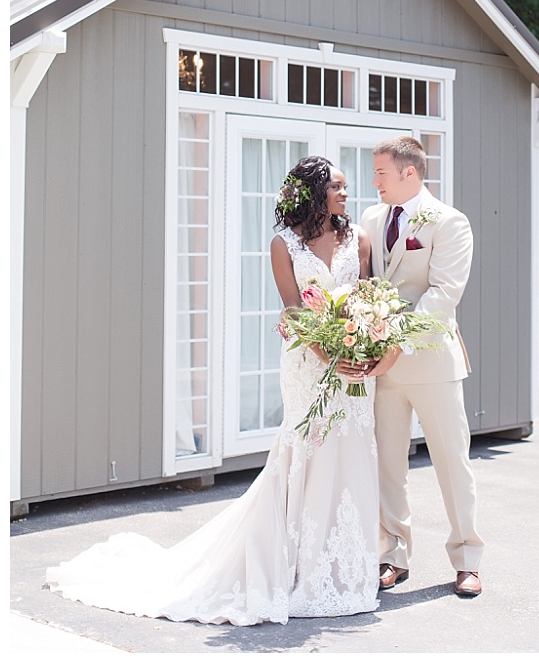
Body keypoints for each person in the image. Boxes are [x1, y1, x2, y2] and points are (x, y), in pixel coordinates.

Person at [46, 156, 379, 625]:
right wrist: (327, 354)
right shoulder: (283, 244)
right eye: (338, 187)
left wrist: (361, 349)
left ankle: (347, 568)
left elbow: (365, 300)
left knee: (351, 454)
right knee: (309, 452)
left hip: (351, 368)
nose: (347, 194)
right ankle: (300, 567)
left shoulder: (358, 239)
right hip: (307, 365)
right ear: (314, 192)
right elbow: (293, 310)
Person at [355, 136, 484, 598]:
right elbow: (365, 285)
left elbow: (443, 296)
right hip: (382, 369)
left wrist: (395, 343)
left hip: (431, 362)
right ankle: (393, 556)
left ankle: (467, 558)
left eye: (380, 173)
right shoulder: (371, 219)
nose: (373, 182)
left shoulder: (450, 222)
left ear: (410, 173)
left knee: (452, 463)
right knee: (388, 466)